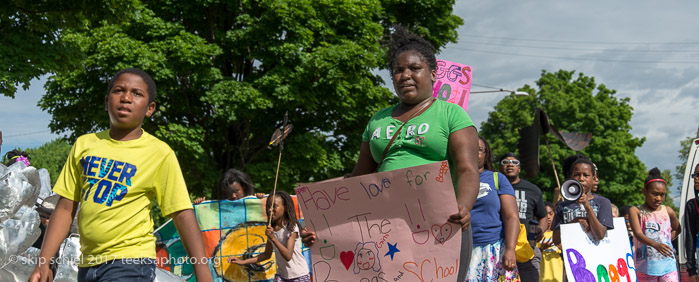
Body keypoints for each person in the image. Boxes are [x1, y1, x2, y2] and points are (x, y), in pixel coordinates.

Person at [29, 68, 213, 282]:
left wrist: (202, 271)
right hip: (87, 265)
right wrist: (43, 263)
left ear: (149, 108)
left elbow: (181, 213)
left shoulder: (159, 153)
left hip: (131, 263)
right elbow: (64, 208)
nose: (126, 98)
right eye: (119, 90)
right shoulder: (84, 145)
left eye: (137, 93)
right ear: (107, 102)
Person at [343, 26, 480, 281]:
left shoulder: (451, 114)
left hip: (440, 223)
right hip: (385, 226)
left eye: (414, 68)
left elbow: (467, 169)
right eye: (398, 70)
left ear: (433, 73)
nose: (405, 75)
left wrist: (463, 206)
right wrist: (327, 222)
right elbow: (357, 178)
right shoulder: (377, 120)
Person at [468, 136, 520, 281]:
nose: (473, 152)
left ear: (486, 155)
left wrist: (510, 249)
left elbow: (512, 217)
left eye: (478, 149)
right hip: (463, 251)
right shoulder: (451, 180)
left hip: (495, 250)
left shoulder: (498, 179)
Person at [229, 191, 311, 282]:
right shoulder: (271, 229)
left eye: (274, 206)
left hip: (299, 276)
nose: (270, 209)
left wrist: (273, 238)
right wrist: (242, 262)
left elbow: (288, 256)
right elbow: (266, 255)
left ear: (285, 208)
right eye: (268, 206)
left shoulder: (291, 227)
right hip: (282, 275)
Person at [499, 152, 547, 281]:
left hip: (527, 249)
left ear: (519, 169)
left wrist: (541, 230)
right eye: (505, 162)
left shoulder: (533, 190)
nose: (510, 165)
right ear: (499, 168)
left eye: (515, 163)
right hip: (498, 247)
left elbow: (543, 216)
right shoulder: (493, 188)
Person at [629, 167, 680, 281]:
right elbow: (638, 234)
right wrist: (656, 244)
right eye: (655, 194)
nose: (658, 198)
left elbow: (677, 228)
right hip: (644, 268)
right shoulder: (635, 211)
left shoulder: (668, 211)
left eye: (662, 195)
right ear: (644, 192)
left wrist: (666, 240)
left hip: (668, 267)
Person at [553, 155, 613, 243]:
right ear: (571, 177)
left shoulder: (603, 202)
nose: (581, 179)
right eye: (577, 175)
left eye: (586, 175)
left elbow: (600, 235)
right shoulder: (562, 205)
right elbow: (556, 240)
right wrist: (573, 223)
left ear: (593, 179)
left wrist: (587, 206)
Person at [193, 168, 263, 204]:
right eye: (229, 193)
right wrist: (200, 206)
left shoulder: (255, 202)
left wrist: (262, 201)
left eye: (236, 191)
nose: (233, 196)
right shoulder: (219, 209)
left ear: (243, 187)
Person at [538, 201, 563, 282]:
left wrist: (563, 248)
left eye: (550, 214)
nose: (548, 217)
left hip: (559, 278)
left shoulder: (560, 233)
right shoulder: (537, 234)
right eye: (545, 214)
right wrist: (541, 249)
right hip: (541, 278)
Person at [684, 163, 699, 282]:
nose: (696, 178)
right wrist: (691, 270)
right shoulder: (692, 205)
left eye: (698, 175)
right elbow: (690, 237)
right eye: (695, 175)